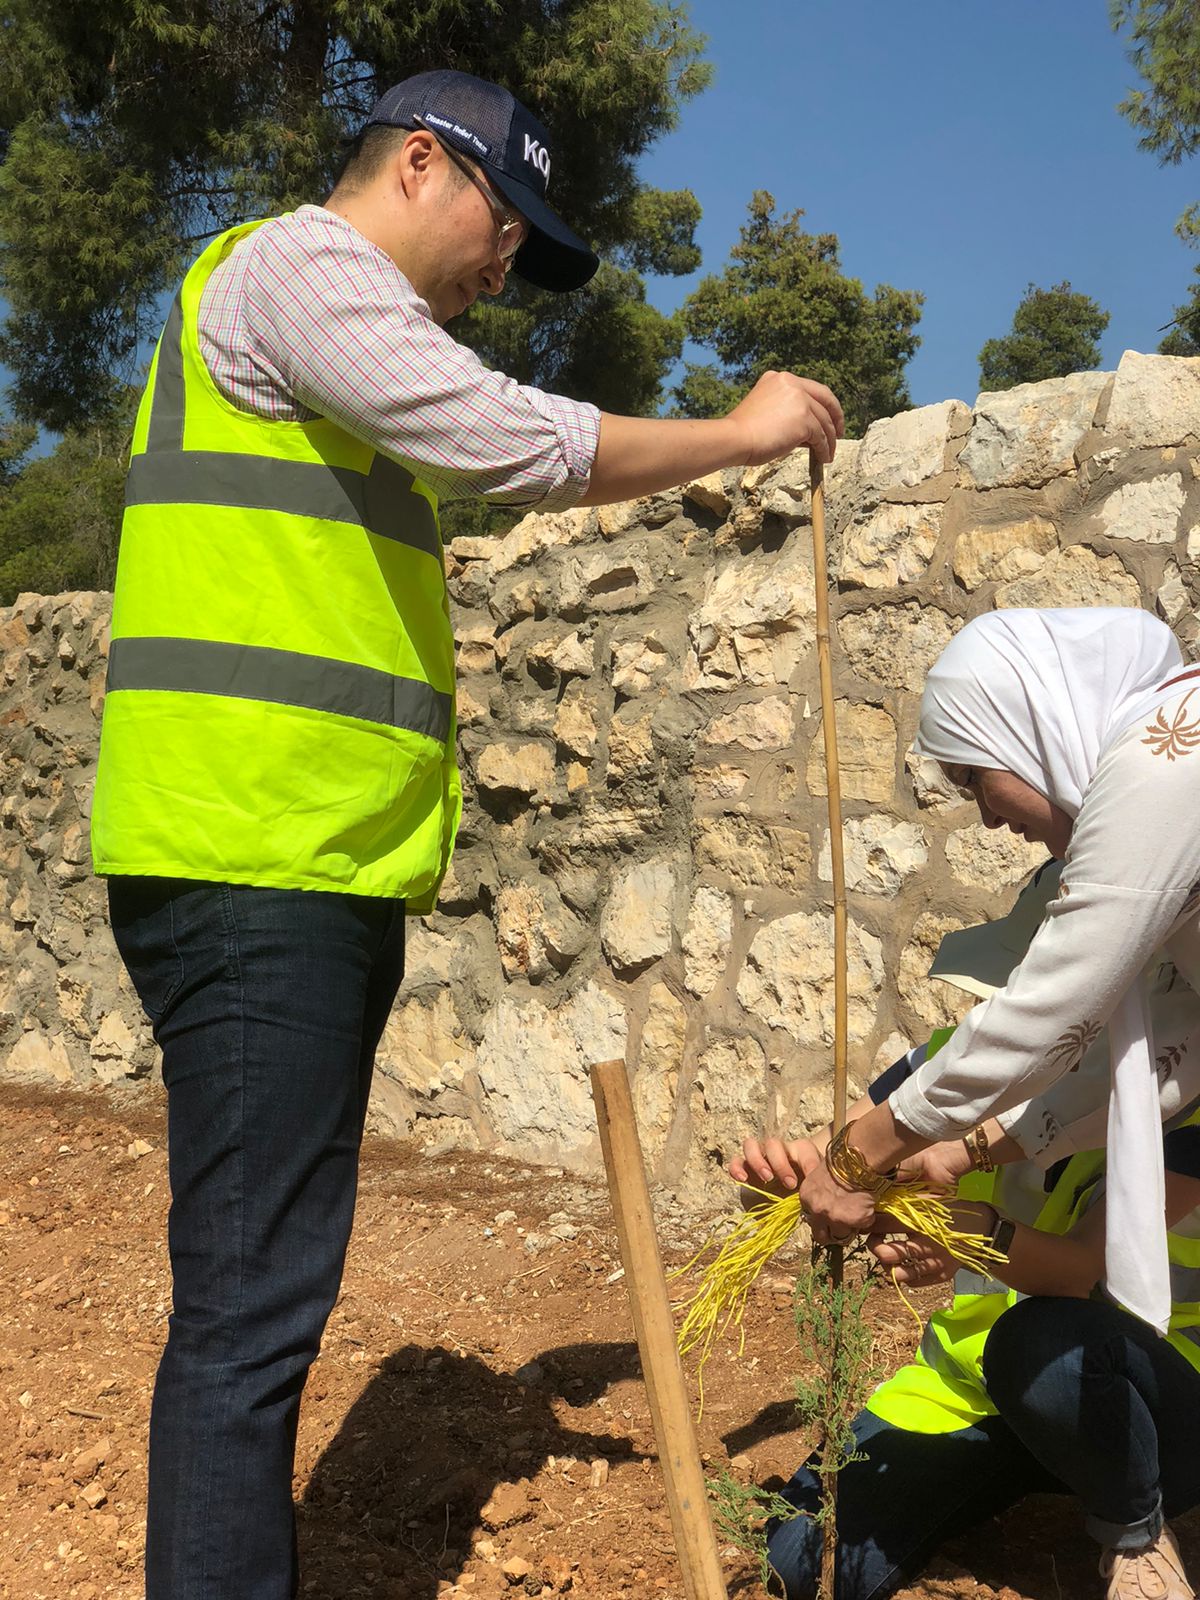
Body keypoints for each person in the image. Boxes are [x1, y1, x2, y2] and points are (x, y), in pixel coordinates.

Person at [88, 68, 845, 1600]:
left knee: (257, 1295)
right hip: (252, 858)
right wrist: (736, 430)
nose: (508, 267)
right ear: (420, 165)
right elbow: (502, 439)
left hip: (296, 864)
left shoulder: (318, 333)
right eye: (509, 222)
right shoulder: (295, 265)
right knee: (247, 1311)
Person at [742, 865, 1200, 1600]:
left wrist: (950, 1227)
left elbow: (1084, 1273)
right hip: (975, 1387)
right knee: (804, 1564)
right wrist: (802, 1176)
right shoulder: (954, 1063)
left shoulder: (1184, 1093)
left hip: (1144, 1394)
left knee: (1046, 1344)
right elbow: (851, 1153)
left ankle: (1137, 1535)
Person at [741, 608, 1200, 1337]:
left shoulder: (1169, 758)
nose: (986, 818)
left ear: (1036, 726)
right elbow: (1166, 1052)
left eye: (974, 776)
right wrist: (948, 1149)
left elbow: (1055, 1010)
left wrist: (856, 1159)